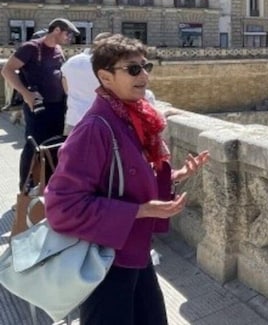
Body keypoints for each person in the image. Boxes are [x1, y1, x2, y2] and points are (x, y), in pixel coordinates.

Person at [43, 34, 210, 324]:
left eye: (146, 67)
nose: (144, 75)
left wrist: (174, 176)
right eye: (133, 69)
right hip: (104, 261)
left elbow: (125, 176)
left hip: (133, 250)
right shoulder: (95, 129)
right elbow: (61, 207)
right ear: (106, 77)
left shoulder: (130, 117)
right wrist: (141, 211)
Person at [1, 17, 79, 190]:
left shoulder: (58, 49)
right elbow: (7, 70)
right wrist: (26, 94)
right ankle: (25, 189)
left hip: (58, 106)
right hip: (37, 107)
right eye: (69, 33)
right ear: (57, 30)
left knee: (53, 147)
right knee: (33, 147)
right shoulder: (31, 47)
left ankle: (47, 187)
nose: (70, 38)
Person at [61, 32, 113, 134]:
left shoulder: (72, 61)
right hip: (101, 122)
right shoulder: (107, 66)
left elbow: (66, 88)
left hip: (74, 120)